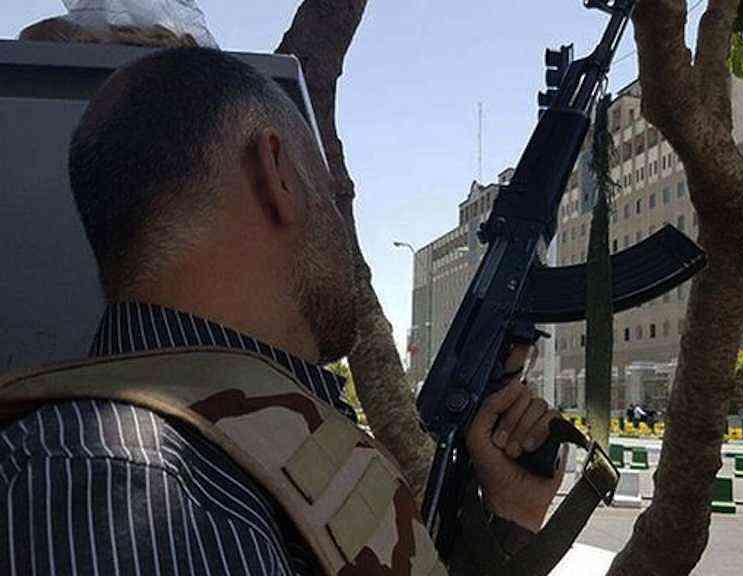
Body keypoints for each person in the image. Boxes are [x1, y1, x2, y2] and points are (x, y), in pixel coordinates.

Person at [0, 48, 561, 575]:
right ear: (277, 174)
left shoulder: (246, 447)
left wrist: (510, 516)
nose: (343, 231)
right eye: (332, 196)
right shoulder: (127, 477)